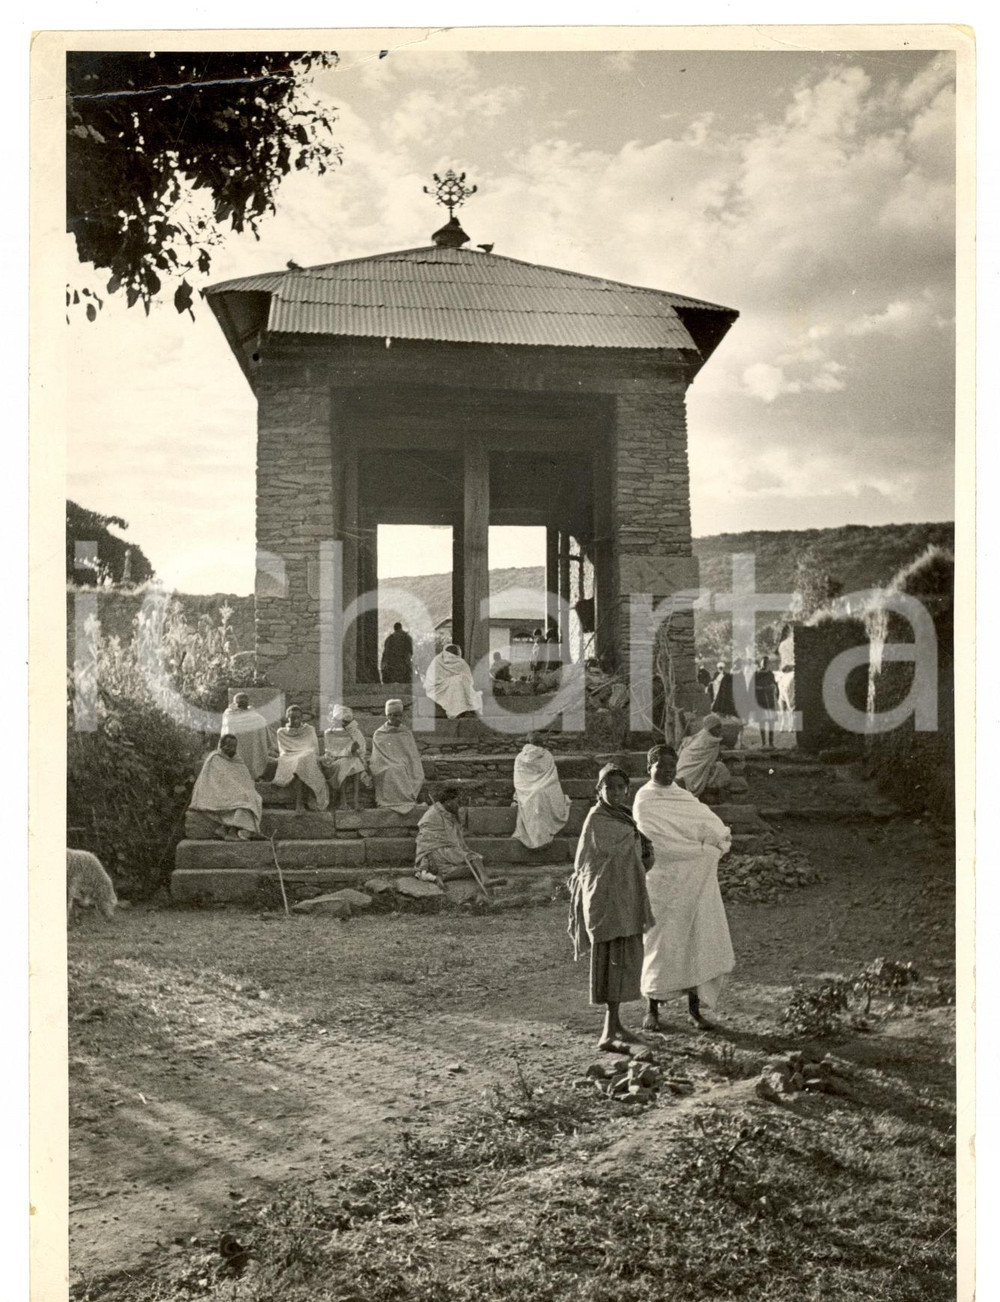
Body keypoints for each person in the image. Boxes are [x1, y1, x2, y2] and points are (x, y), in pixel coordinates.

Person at [635, 745, 734, 1031]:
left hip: (692, 881)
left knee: (694, 939)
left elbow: (711, 826)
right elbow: (657, 843)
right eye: (661, 766)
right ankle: (652, 1008)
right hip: (662, 882)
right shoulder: (644, 800)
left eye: (672, 767)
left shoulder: (683, 797)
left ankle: (694, 1010)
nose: (668, 772)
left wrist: (708, 848)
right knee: (660, 942)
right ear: (649, 767)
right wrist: (698, 851)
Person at [568, 763, 655, 1053]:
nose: (615, 792)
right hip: (607, 900)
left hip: (625, 896)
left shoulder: (623, 816)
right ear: (599, 790)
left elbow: (635, 852)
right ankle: (608, 1032)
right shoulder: (597, 819)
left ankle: (615, 1025)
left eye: (620, 787)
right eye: (609, 787)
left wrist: (643, 849)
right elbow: (592, 861)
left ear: (627, 790)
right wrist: (637, 848)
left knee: (623, 960)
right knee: (611, 960)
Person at [413, 786, 503, 887]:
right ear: (448, 802)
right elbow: (426, 839)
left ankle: (445, 877)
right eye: (456, 802)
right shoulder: (433, 814)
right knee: (473, 858)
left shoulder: (447, 813)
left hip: (444, 851)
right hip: (435, 852)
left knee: (470, 867)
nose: (458, 806)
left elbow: (451, 835)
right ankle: (485, 880)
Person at [185, 734, 264, 840]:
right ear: (221, 746)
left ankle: (227, 829)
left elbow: (244, 779)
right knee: (244, 799)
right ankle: (233, 832)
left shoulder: (237, 760)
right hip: (218, 792)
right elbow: (213, 781)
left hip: (234, 790)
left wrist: (241, 789)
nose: (232, 749)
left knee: (253, 797)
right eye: (228, 746)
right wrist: (234, 789)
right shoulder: (215, 758)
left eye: (234, 746)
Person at [512, 733, 572, 849]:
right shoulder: (547, 754)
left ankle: (537, 838)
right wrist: (542, 785)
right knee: (541, 794)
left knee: (535, 796)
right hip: (544, 787)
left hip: (526, 789)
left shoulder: (520, 757)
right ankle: (541, 838)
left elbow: (519, 779)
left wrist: (526, 789)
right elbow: (552, 777)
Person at [369, 699, 426, 813]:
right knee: (394, 770)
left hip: (404, 762)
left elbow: (411, 754)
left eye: (398, 715)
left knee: (413, 771)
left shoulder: (405, 732)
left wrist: (405, 762)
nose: (395, 718)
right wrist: (394, 762)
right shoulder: (380, 733)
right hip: (384, 763)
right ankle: (393, 801)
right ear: (387, 716)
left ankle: (407, 798)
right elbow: (379, 756)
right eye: (391, 715)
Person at [273, 705, 329, 811]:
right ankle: (300, 803)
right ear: (287, 718)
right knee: (299, 762)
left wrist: (304, 755)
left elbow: (312, 748)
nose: (296, 720)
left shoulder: (309, 729)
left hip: (305, 754)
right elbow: (284, 750)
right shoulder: (281, 732)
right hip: (289, 755)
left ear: (302, 718)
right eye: (292, 718)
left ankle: (304, 800)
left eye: (298, 717)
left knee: (304, 760)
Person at [322, 704, 368, 810]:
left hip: (352, 760)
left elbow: (361, 750)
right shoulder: (329, 733)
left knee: (355, 762)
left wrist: (354, 751)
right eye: (341, 721)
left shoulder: (355, 732)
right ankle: (343, 801)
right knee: (345, 763)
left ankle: (356, 801)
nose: (344, 724)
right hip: (334, 761)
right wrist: (349, 751)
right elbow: (331, 752)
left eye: (346, 722)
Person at [675, 713, 732, 798]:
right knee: (721, 768)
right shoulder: (709, 739)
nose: (720, 730)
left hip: (682, 769)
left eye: (720, 727)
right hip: (689, 769)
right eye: (717, 727)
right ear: (710, 728)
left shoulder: (703, 734)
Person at [221, 692, 273, 779]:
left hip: (245, 751)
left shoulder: (256, 717)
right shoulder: (230, 715)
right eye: (241, 702)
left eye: (243, 702)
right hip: (241, 750)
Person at [423, 644, 482, 719]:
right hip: (436, 688)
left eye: (453, 654)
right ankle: (461, 710)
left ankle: (466, 709)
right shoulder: (437, 661)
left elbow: (469, 680)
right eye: (449, 653)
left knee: (460, 681)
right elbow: (431, 680)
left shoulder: (460, 662)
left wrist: (453, 681)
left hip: (442, 687)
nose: (450, 657)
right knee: (459, 681)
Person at [753, 655, 779, 749]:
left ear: (768, 664)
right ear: (760, 663)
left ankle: (771, 743)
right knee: (762, 722)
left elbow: (774, 684)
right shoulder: (756, 674)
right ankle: (763, 743)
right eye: (763, 662)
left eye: (766, 662)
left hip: (770, 700)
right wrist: (762, 688)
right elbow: (752, 687)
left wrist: (773, 687)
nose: (764, 664)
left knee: (771, 722)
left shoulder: (770, 674)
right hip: (761, 701)